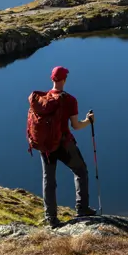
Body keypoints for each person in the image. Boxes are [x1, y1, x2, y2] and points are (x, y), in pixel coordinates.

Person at [40, 66, 96, 226]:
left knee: (48, 179)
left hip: (46, 146)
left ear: (52, 79)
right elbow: (76, 126)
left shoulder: (43, 99)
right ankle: (82, 208)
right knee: (81, 171)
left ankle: (51, 217)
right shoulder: (70, 100)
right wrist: (89, 120)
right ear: (64, 80)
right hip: (63, 144)